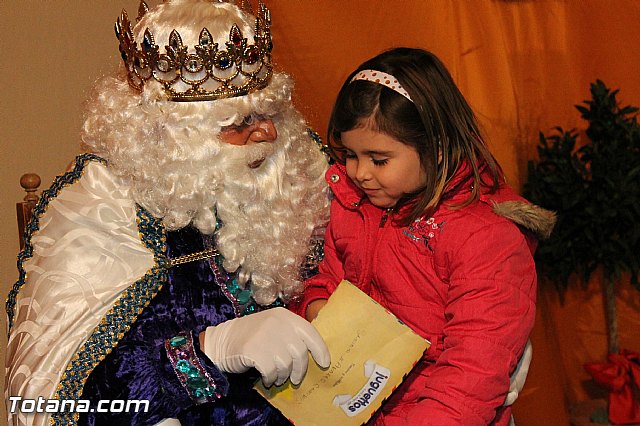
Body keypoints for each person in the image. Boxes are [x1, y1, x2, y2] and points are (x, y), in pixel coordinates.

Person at [5, 1, 332, 425]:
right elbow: (68, 405)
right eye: (240, 122)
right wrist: (208, 351)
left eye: (271, 114)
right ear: (172, 133)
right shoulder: (104, 213)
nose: (268, 133)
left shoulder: (301, 175)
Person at [292, 48, 556, 425]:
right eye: (349, 154)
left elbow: (471, 375)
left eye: (379, 159)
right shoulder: (352, 209)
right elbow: (322, 280)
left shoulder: (484, 237)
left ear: (436, 146)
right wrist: (318, 310)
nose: (360, 173)